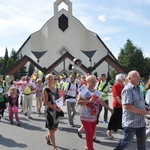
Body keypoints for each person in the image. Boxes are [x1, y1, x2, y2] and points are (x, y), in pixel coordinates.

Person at [114, 70, 150, 150]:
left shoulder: (138, 89)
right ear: (130, 78)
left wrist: (146, 107)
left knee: (142, 144)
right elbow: (127, 106)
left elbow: (140, 102)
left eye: (139, 77)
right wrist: (141, 111)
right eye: (136, 77)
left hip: (140, 122)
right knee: (126, 142)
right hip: (131, 122)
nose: (138, 79)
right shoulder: (127, 89)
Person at [77, 75, 113, 150]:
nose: (94, 83)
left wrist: (110, 109)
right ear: (88, 82)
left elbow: (102, 102)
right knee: (89, 133)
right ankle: (90, 148)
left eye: (95, 81)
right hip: (85, 116)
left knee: (91, 134)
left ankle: (87, 147)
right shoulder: (84, 91)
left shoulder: (97, 92)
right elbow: (79, 102)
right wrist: (88, 101)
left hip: (94, 116)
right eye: (92, 81)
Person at [43, 74, 63, 150]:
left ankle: (47, 136)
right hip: (49, 111)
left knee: (55, 128)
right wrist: (54, 107)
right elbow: (46, 102)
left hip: (57, 110)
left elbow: (59, 99)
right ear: (46, 80)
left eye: (52, 79)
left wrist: (59, 107)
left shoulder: (56, 89)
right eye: (49, 79)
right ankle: (54, 147)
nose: (51, 80)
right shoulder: (45, 89)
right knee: (51, 129)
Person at [106, 73, 125, 139]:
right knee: (114, 118)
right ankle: (109, 131)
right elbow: (117, 97)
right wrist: (122, 104)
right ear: (119, 79)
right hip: (117, 105)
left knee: (121, 119)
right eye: (123, 79)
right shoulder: (115, 86)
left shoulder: (123, 86)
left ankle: (126, 134)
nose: (124, 80)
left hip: (122, 105)